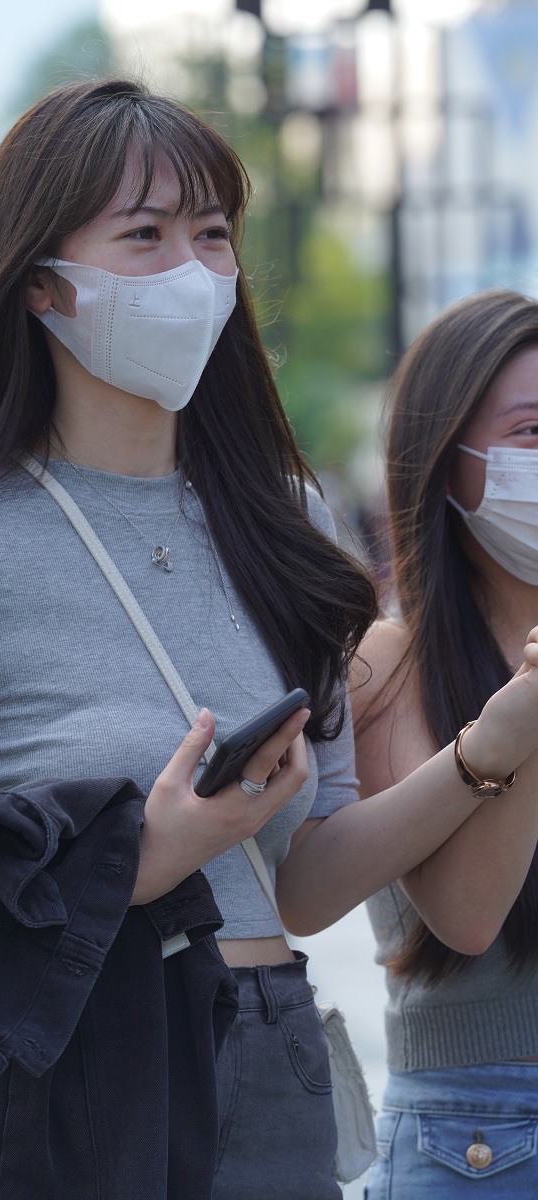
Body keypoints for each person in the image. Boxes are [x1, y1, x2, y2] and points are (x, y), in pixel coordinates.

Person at [0, 82, 538, 1200]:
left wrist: (492, 747)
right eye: (143, 235)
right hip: (76, 1074)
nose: (191, 272)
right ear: (40, 282)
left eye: (213, 235)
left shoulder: (285, 520)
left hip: (273, 1053)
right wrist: (138, 861)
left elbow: (304, 882)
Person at [352, 289, 538, 1198]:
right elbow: (466, 917)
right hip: (482, 1134)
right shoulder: (390, 662)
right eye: (532, 432)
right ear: (446, 458)